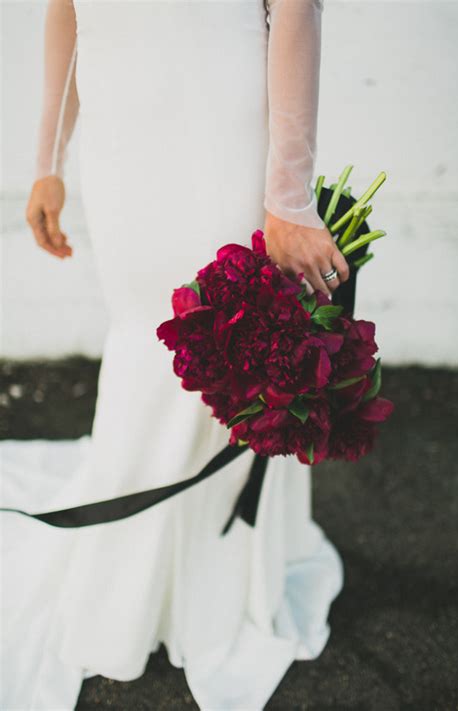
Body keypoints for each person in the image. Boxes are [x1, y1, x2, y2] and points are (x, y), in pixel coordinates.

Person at [2, 1, 349, 708]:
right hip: (119, 131)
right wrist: (47, 160)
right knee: (143, 332)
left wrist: (286, 197)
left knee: (218, 341)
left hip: (217, 118)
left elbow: (295, 6)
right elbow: (65, 8)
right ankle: (127, 584)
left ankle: (215, 592)